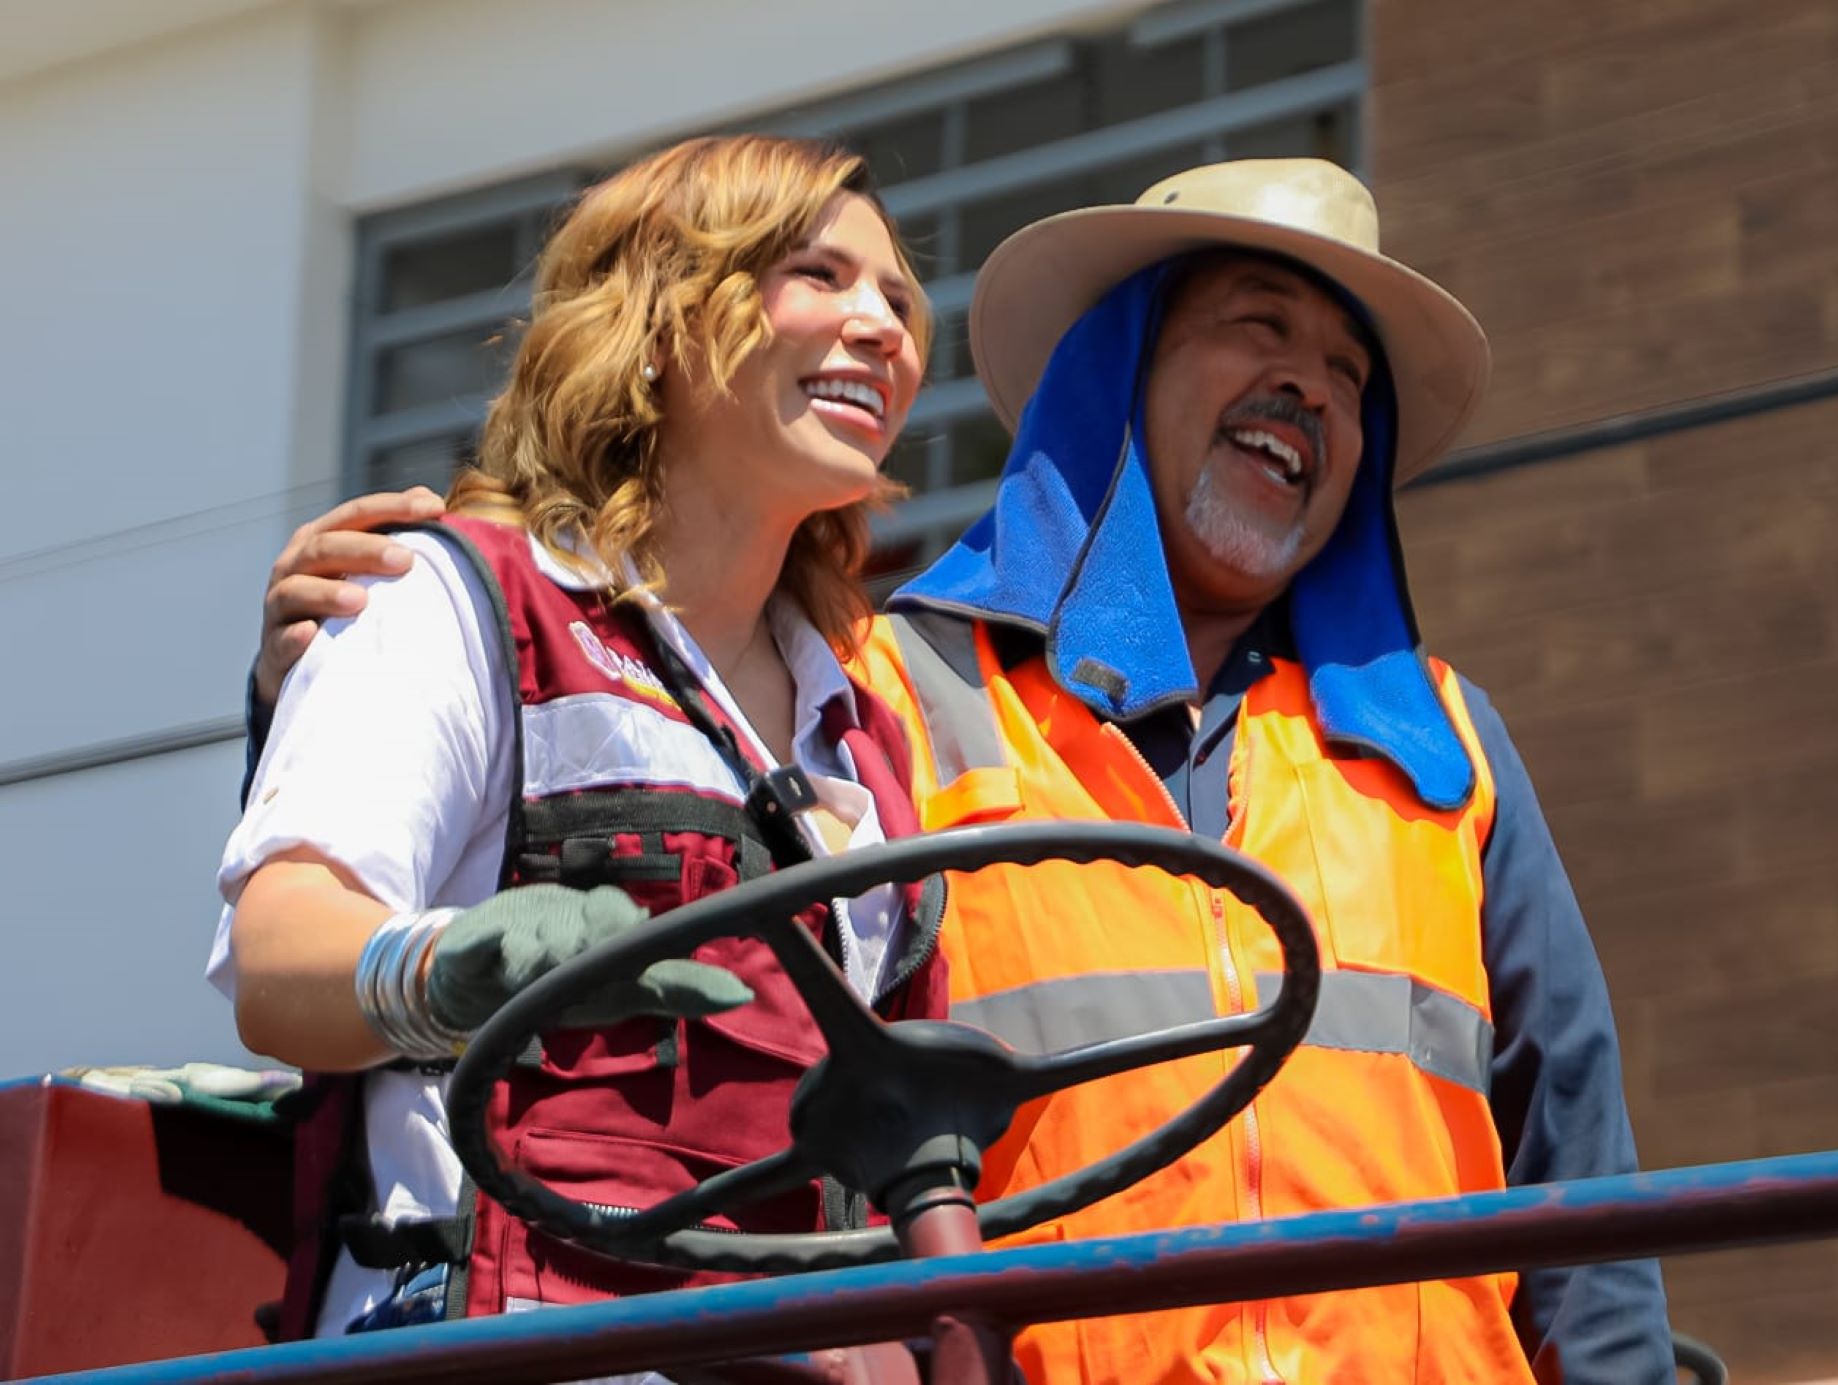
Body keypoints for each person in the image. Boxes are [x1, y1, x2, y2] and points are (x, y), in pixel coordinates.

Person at [249, 159, 1673, 1383]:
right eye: (1261, 329)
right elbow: (533, 799)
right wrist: (304, 687)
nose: (1310, 387)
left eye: (1349, 378)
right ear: (1121, 374)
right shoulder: (875, 693)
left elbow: (1577, 1158)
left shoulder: (1448, 750)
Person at [214, 133, 944, 1343]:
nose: (887, 328)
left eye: (902, 301)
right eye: (818, 275)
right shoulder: (448, 598)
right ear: (660, 320)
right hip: (500, 1346)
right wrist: (446, 968)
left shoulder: (863, 737)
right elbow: (276, 956)